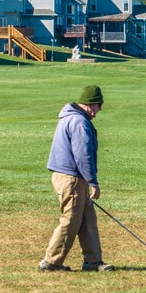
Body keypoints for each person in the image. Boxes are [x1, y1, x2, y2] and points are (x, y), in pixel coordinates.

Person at [38, 85, 114, 272]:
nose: (99, 110)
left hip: (70, 177)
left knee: (87, 218)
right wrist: (93, 182)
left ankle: (93, 261)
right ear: (90, 104)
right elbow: (83, 156)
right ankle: (51, 262)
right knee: (70, 220)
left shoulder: (70, 118)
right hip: (71, 178)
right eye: (98, 105)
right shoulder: (80, 122)